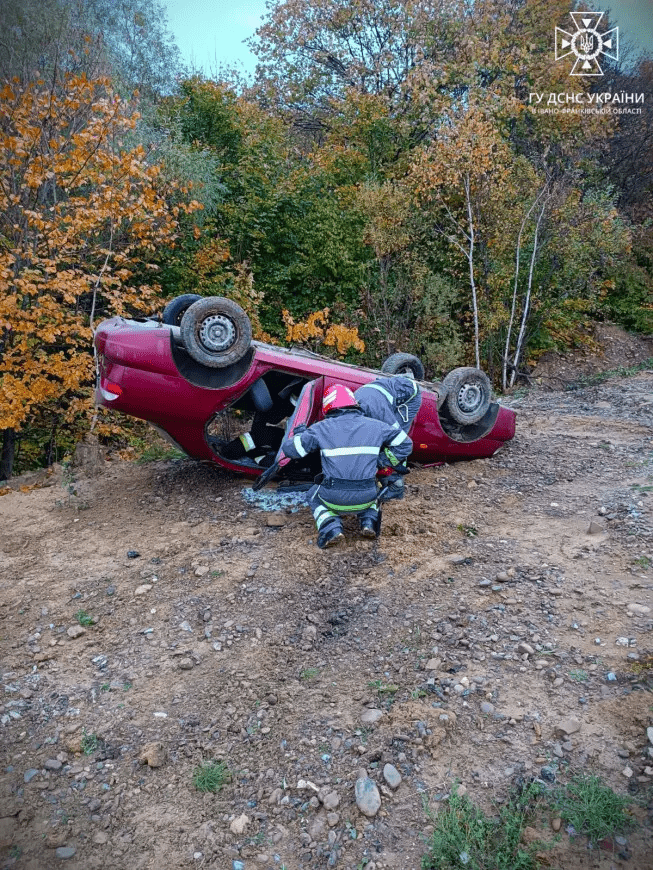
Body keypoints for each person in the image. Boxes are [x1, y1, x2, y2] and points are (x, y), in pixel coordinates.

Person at [279, 384, 412, 549]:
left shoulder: (320, 428)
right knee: (376, 490)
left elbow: (291, 450)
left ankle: (331, 528)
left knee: (313, 494)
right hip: (366, 496)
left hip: (334, 498)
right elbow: (406, 444)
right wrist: (383, 461)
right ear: (354, 403)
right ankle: (368, 522)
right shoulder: (377, 426)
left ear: (328, 407)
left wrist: (300, 433)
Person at [354, 376, 422, 500]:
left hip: (410, 396)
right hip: (380, 395)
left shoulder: (379, 414)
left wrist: (380, 462)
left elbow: (404, 444)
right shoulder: (349, 416)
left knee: (395, 442)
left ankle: (396, 485)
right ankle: (383, 475)